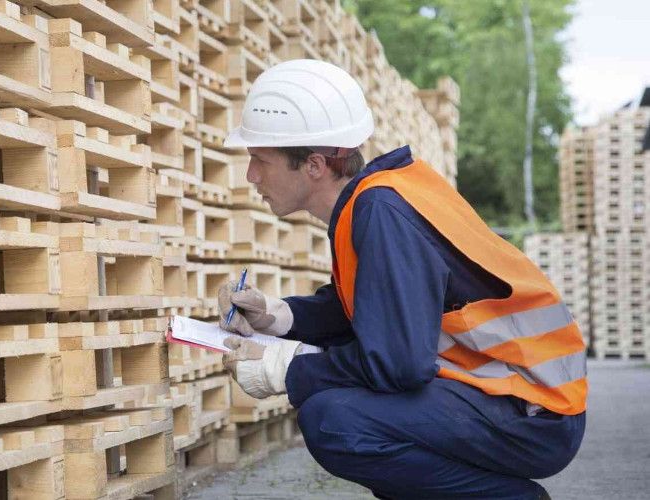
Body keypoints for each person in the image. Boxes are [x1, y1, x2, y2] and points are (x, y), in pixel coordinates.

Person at [217, 59, 587, 500]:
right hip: (516, 399)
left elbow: (398, 364)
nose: (251, 175)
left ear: (314, 164)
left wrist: (288, 369)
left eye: (260, 159)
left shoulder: (382, 212)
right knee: (348, 412)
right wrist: (279, 316)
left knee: (337, 420)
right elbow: (374, 308)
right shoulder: (376, 200)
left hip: (532, 411)